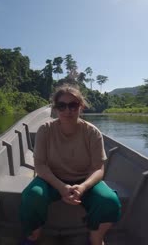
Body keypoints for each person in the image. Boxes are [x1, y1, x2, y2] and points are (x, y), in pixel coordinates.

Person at [19, 84, 121, 245]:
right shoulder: (45, 130)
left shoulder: (92, 132)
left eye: (73, 105)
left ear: (81, 107)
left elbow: (98, 169)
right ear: (56, 108)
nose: (68, 110)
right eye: (62, 106)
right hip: (51, 180)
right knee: (32, 196)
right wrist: (61, 186)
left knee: (109, 201)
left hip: (84, 181)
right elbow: (40, 165)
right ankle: (33, 236)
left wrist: (83, 187)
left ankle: (96, 240)